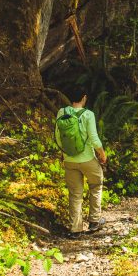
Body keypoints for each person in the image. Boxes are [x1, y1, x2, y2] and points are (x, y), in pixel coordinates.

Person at [55, 86, 107, 238]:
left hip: (69, 160)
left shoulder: (61, 112)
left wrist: (64, 153)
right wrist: (102, 154)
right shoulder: (88, 114)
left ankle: (75, 229)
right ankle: (94, 221)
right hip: (87, 159)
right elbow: (94, 138)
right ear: (84, 98)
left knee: (75, 194)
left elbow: (58, 136)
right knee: (96, 185)